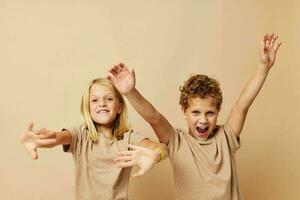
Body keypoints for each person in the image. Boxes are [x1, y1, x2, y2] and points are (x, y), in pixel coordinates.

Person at [107, 33, 281, 200]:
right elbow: (154, 118)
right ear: (184, 111)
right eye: (196, 112)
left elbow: (242, 104)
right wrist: (130, 92)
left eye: (210, 113)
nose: (203, 120)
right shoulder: (176, 141)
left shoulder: (226, 137)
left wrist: (263, 67)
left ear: (218, 111)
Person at [20, 77, 169, 200]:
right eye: (95, 100)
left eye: (109, 99)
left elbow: (162, 147)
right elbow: (58, 138)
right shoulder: (80, 135)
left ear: (119, 108)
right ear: (88, 108)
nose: (102, 103)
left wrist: (157, 155)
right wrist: (39, 140)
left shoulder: (129, 138)